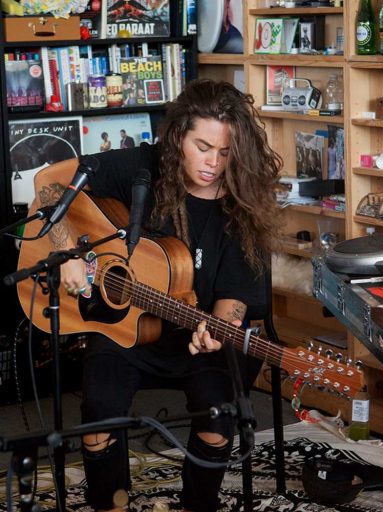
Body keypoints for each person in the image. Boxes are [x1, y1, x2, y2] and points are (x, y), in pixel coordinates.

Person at [30, 79, 282, 511]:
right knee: (100, 409)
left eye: (225, 152)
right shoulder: (144, 166)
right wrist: (67, 250)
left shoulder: (243, 205)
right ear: (178, 135)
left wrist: (216, 331)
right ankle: (113, 504)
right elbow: (49, 184)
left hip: (197, 337)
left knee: (218, 412)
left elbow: (235, 299)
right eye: (203, 147)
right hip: (125, 329)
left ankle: (197, 505)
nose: (213, 163)